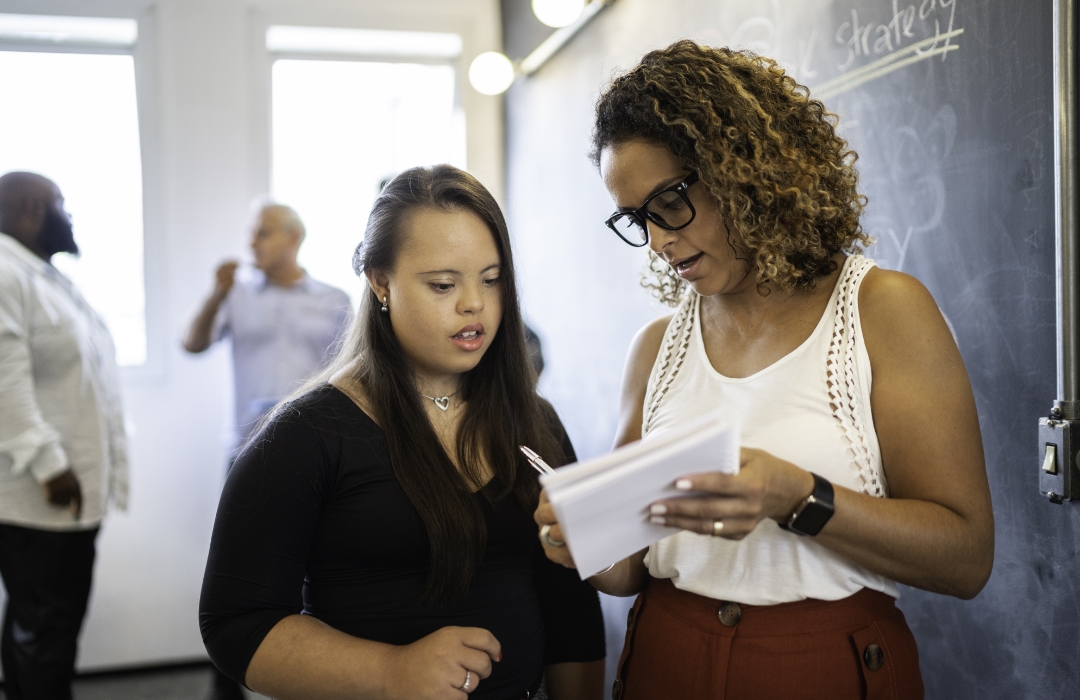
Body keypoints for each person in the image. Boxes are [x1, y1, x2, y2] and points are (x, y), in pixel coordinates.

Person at [534, 41, 994, 699]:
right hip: (662, 659)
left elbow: (966, 558)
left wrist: (797, 496)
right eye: (637, 220)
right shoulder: (657, 346)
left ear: (741, 171)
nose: (660, 242)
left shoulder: (883, 312)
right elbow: (632, 566)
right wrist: (581, 540)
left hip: (825, 667)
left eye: (669, 203)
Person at [199, 165, 606, 700]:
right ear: (381, 281)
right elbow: (236, 625)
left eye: (491, 279)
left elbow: (570, 604)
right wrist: (391, 671)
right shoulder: (304, 435)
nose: (474, 305)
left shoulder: (534, 420)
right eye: (443, 284)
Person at [0, 171, 128, 700]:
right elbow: (4, 382)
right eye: (62, 205)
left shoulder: (41, 276)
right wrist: (50, 465)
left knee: (48, 626)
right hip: (39, 494)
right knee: (44, 630)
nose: (68, 216)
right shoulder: (5, 273)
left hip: (66, 493)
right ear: (33, 207)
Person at [183, 203, 352, 450]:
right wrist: (215, 296)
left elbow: (351, 371)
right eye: (251, 234)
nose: (252, 244)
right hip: (246, 444)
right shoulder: (235, 294)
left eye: (263, 233)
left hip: (315, 443)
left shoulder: (334, 300)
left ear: (293, 238)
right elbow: (192, 344)